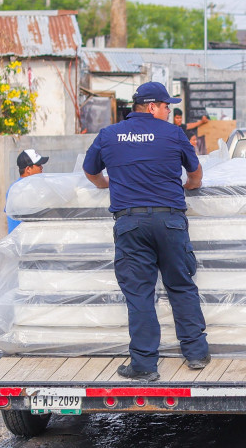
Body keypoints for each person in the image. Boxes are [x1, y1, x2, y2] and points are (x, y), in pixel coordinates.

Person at [82, 81, 210, 381]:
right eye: (167, 106)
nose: (169, 111)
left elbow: (90, 171)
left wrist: (107, 185)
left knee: (140, 294)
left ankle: (144, 366)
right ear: (152, 107)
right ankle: (196, 354)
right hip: (170, 221)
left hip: (130, 224)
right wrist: (190, 187)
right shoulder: (173, 134)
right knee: (180, 285)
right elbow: (196, 175)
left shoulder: (109, 135)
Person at [6, 149, 48, 234]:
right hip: (25, 240)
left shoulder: (14, 187)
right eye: (38, 165)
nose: (41, 167)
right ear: (28, 169)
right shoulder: (25, 189)